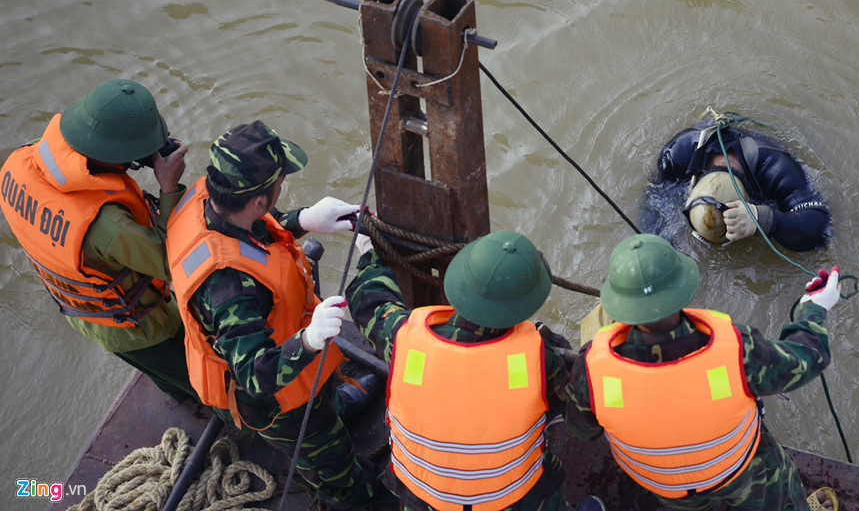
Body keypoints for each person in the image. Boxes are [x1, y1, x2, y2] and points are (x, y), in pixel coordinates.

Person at [164, 120, 390, 510]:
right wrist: (309, 340)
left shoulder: (207, 198)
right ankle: (352, 495)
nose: (282, 186)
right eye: (280, 182)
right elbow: (256, 376)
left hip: (292, 358)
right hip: (277, 401)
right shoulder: (228, 290)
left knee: (324, 402)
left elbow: (253, 234)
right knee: (330, 460)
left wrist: (301, 220)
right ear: (258, 201)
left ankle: (334, 407)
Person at [565, 233, 842, 510]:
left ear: (619, 304)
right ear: (682, 286)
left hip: (670, 489)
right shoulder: (736, 349)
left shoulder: (591, 367)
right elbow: (807, 358)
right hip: (741, 472)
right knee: (774, 494)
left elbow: (583, 430)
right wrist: (813, 309)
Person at [0, 79, 198, 403]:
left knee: (166, 376)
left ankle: (177, 394)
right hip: (137, 326)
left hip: (84, 310)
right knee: (197, 377)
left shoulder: (21, 160)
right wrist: (169, 187)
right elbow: (172, 261)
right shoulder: (109, 225)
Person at [345, 230, 572, 511]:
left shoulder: (403, 339)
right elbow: (561, 404)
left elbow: (370, 302)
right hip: (508, 499)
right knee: (550, 477)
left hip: (422, 496)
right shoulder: (540, 358)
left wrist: (369, 253)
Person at [653, 117, 830, 251]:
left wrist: (763, 219)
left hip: (756, 141)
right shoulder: (677, 156)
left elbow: (820, 227)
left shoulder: (776, 168)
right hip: (707, 126)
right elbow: (653, 203)